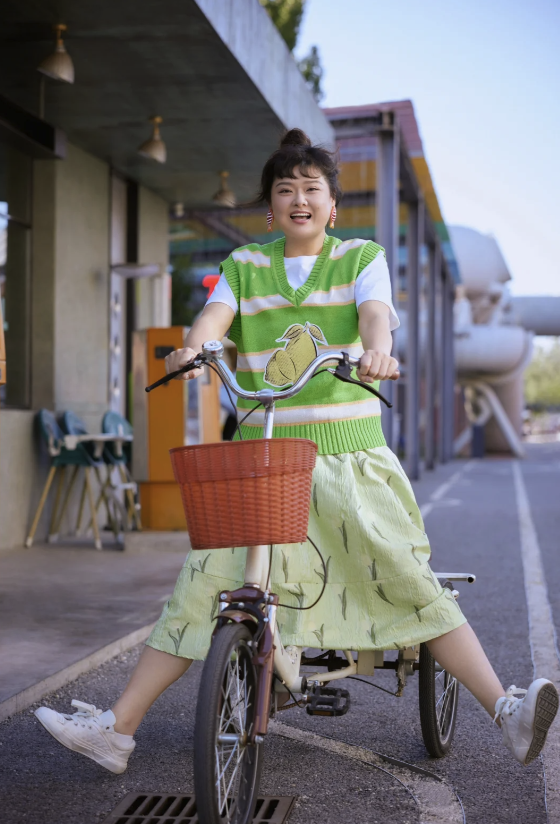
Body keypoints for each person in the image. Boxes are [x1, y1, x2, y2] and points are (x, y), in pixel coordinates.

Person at [35, 129, 558, 775]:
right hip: (261, 460)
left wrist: (378, 349)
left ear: (333, 207)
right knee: (204, 588)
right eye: (286, 190)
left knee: (408, 582)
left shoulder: (361, 256)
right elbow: (214, 318)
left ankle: (503, 708)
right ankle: (118, 730)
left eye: (312, 189)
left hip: (349, 456)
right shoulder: (245, 266)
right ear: (270, 208)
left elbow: (375, 314)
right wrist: (195, 349)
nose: (300, 199)